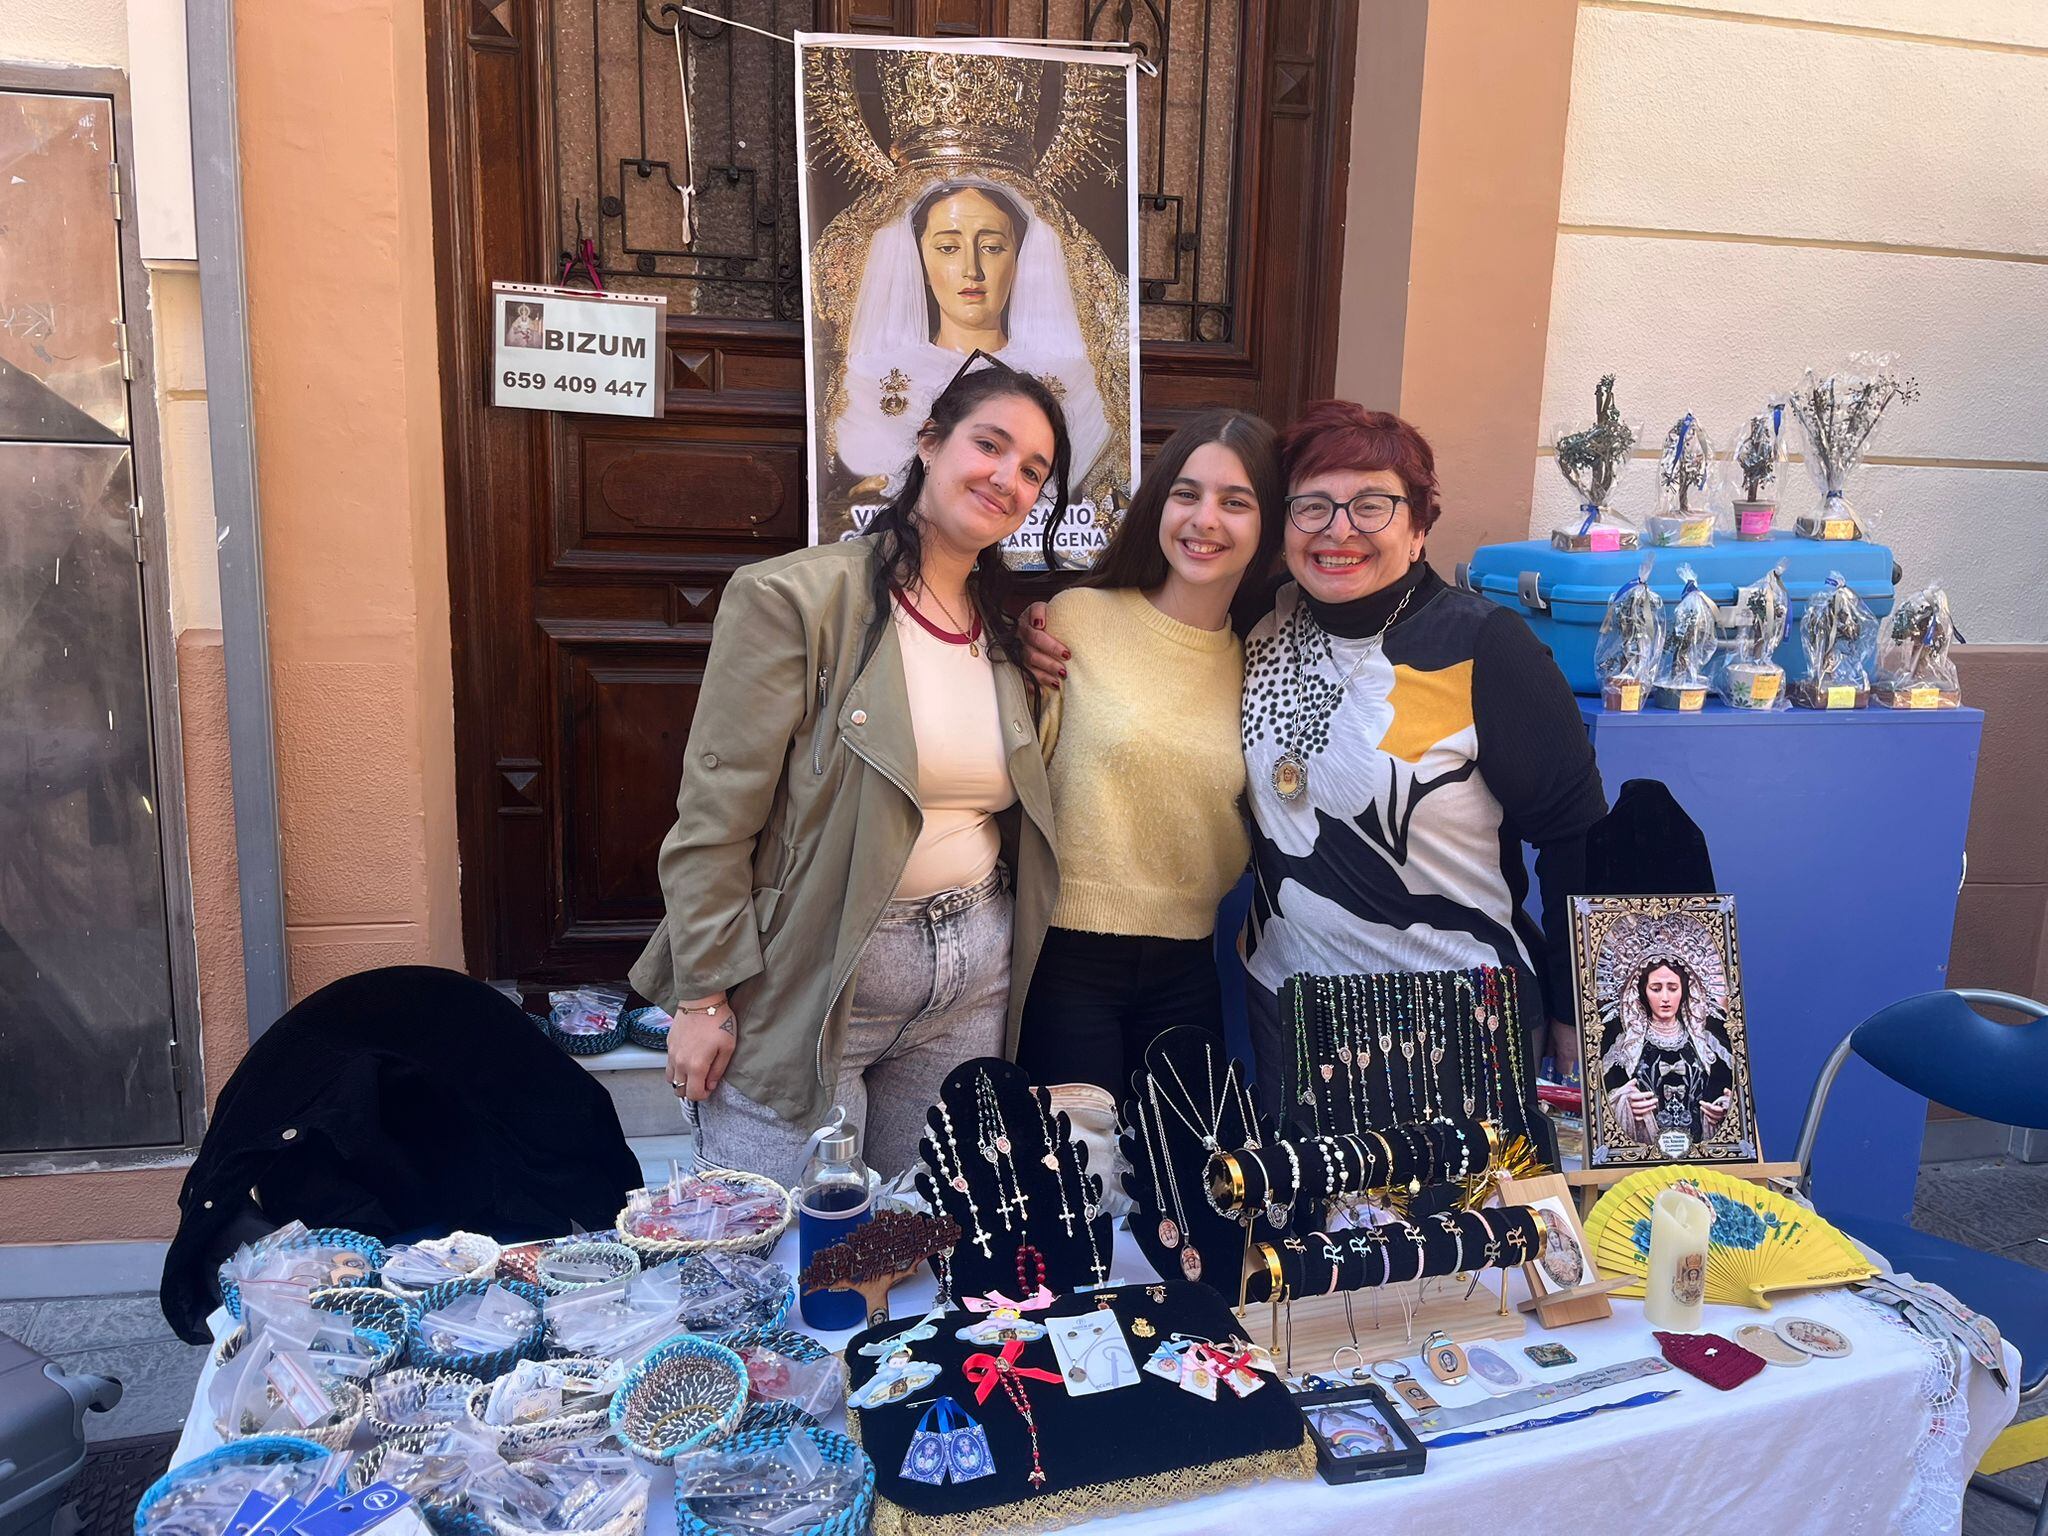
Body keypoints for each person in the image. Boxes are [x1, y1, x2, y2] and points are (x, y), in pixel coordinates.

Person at [1025, 402, 1605, 1118]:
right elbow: (1154, 655)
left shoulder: (1486, 648)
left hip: (1453, 1016)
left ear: (1420, 525)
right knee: (1313, 1223)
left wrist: (1578, 1002)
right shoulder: (1261, 619)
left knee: (1447, 1225)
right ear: (1285, 524)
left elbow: (1577, 836)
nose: (1339, 530)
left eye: (1372, 505)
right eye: (1314, 506)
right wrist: (1032, 635)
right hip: (1295, 1014)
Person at [630, 357, 1065, 1186]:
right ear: (931, 443)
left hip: (971, 983)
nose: (1008, 478)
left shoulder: (1001, 632)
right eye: (991, 445)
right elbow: (715, 822)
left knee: (924, 1247)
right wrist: (703, 998)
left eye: (1033, 470)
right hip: (815, 980)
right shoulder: (795, 600)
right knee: (784, 1264)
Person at [1014, 411, 1284, 1179]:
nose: (1205, 521)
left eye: (1235, 501)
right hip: (1067, 961)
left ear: (1267, 522)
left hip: (1189, 966)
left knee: (1186, 1193)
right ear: (1158, 503)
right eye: (1187, 494)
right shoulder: (1075, 621)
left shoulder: (1265, 660)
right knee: (1076, 1193)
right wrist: (1015, 635)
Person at [832, 177, 1112, 506]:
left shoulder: (1077, 386)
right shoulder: (865, 385)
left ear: (1020, 258)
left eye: (992, 247)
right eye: (948, 248)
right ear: (919, 260)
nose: (971, 270)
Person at [1600, 955, 1735, 1150]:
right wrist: (1623, 1102)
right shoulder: (1627, 1044)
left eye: (1672, 988)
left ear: (1684, 990)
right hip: (1643, 1157)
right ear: (1643, 991)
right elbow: (1598, 1096)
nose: (1665, 998)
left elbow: (1731, 1093)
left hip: (1698, 1155)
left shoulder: (1706, 1042)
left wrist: (1723, 1108)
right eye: (1656, 989)